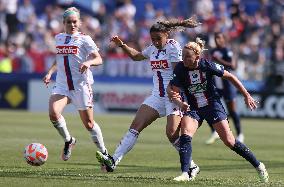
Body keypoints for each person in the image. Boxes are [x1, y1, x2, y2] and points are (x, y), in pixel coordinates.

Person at [96, 17, 200, 179]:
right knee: (135, 126)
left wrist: (178, 95)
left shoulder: (173, 47)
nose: (156, 42)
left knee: (172, 134)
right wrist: (122, 45)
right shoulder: (152, 48)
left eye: (159, 39)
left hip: (173, 96)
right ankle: (113, 160)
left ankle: (191, 166)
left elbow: (178, 73)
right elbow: (137, 56)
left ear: (167, 35)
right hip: (157, 96)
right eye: (153, 39)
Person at [167, 38, 269, 182]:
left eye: (187, 56)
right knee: (185, 134)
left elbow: (231, 76)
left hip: (213, 106)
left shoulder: (207, 65)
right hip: (194, 108)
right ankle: (185, 173)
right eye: (182, 56)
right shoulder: (180, 68)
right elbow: (174, 92)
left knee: (229, 141)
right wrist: (180, 102)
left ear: (197, 56)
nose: (184, 59)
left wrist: (246, 95)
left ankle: (259, 165)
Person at [42, 7, 108, 162]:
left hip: (81, 86)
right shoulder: (59, 38)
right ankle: (69, 140)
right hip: (62, 85)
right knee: (53, 112)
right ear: (63, 23)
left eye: (74, 22)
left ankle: (104, 152)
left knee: (89, 124)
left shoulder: (85, 39)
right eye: (69, 22)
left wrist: (89, 62)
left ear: (79, 22)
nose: (72, 25)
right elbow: (58, 59)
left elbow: (99, 59)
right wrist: (50, 72)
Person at [205, 32, 244, 144]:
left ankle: (240, 134)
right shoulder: (212, 52)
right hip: (216, 85)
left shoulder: (227, 51)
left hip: (228, 85)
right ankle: (214, 132)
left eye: (219, 38)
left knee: (232, 110)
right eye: (216, 38)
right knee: (208, 109)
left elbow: (233, 66)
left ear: (223, 39)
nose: (217, 40)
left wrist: (219, 60)